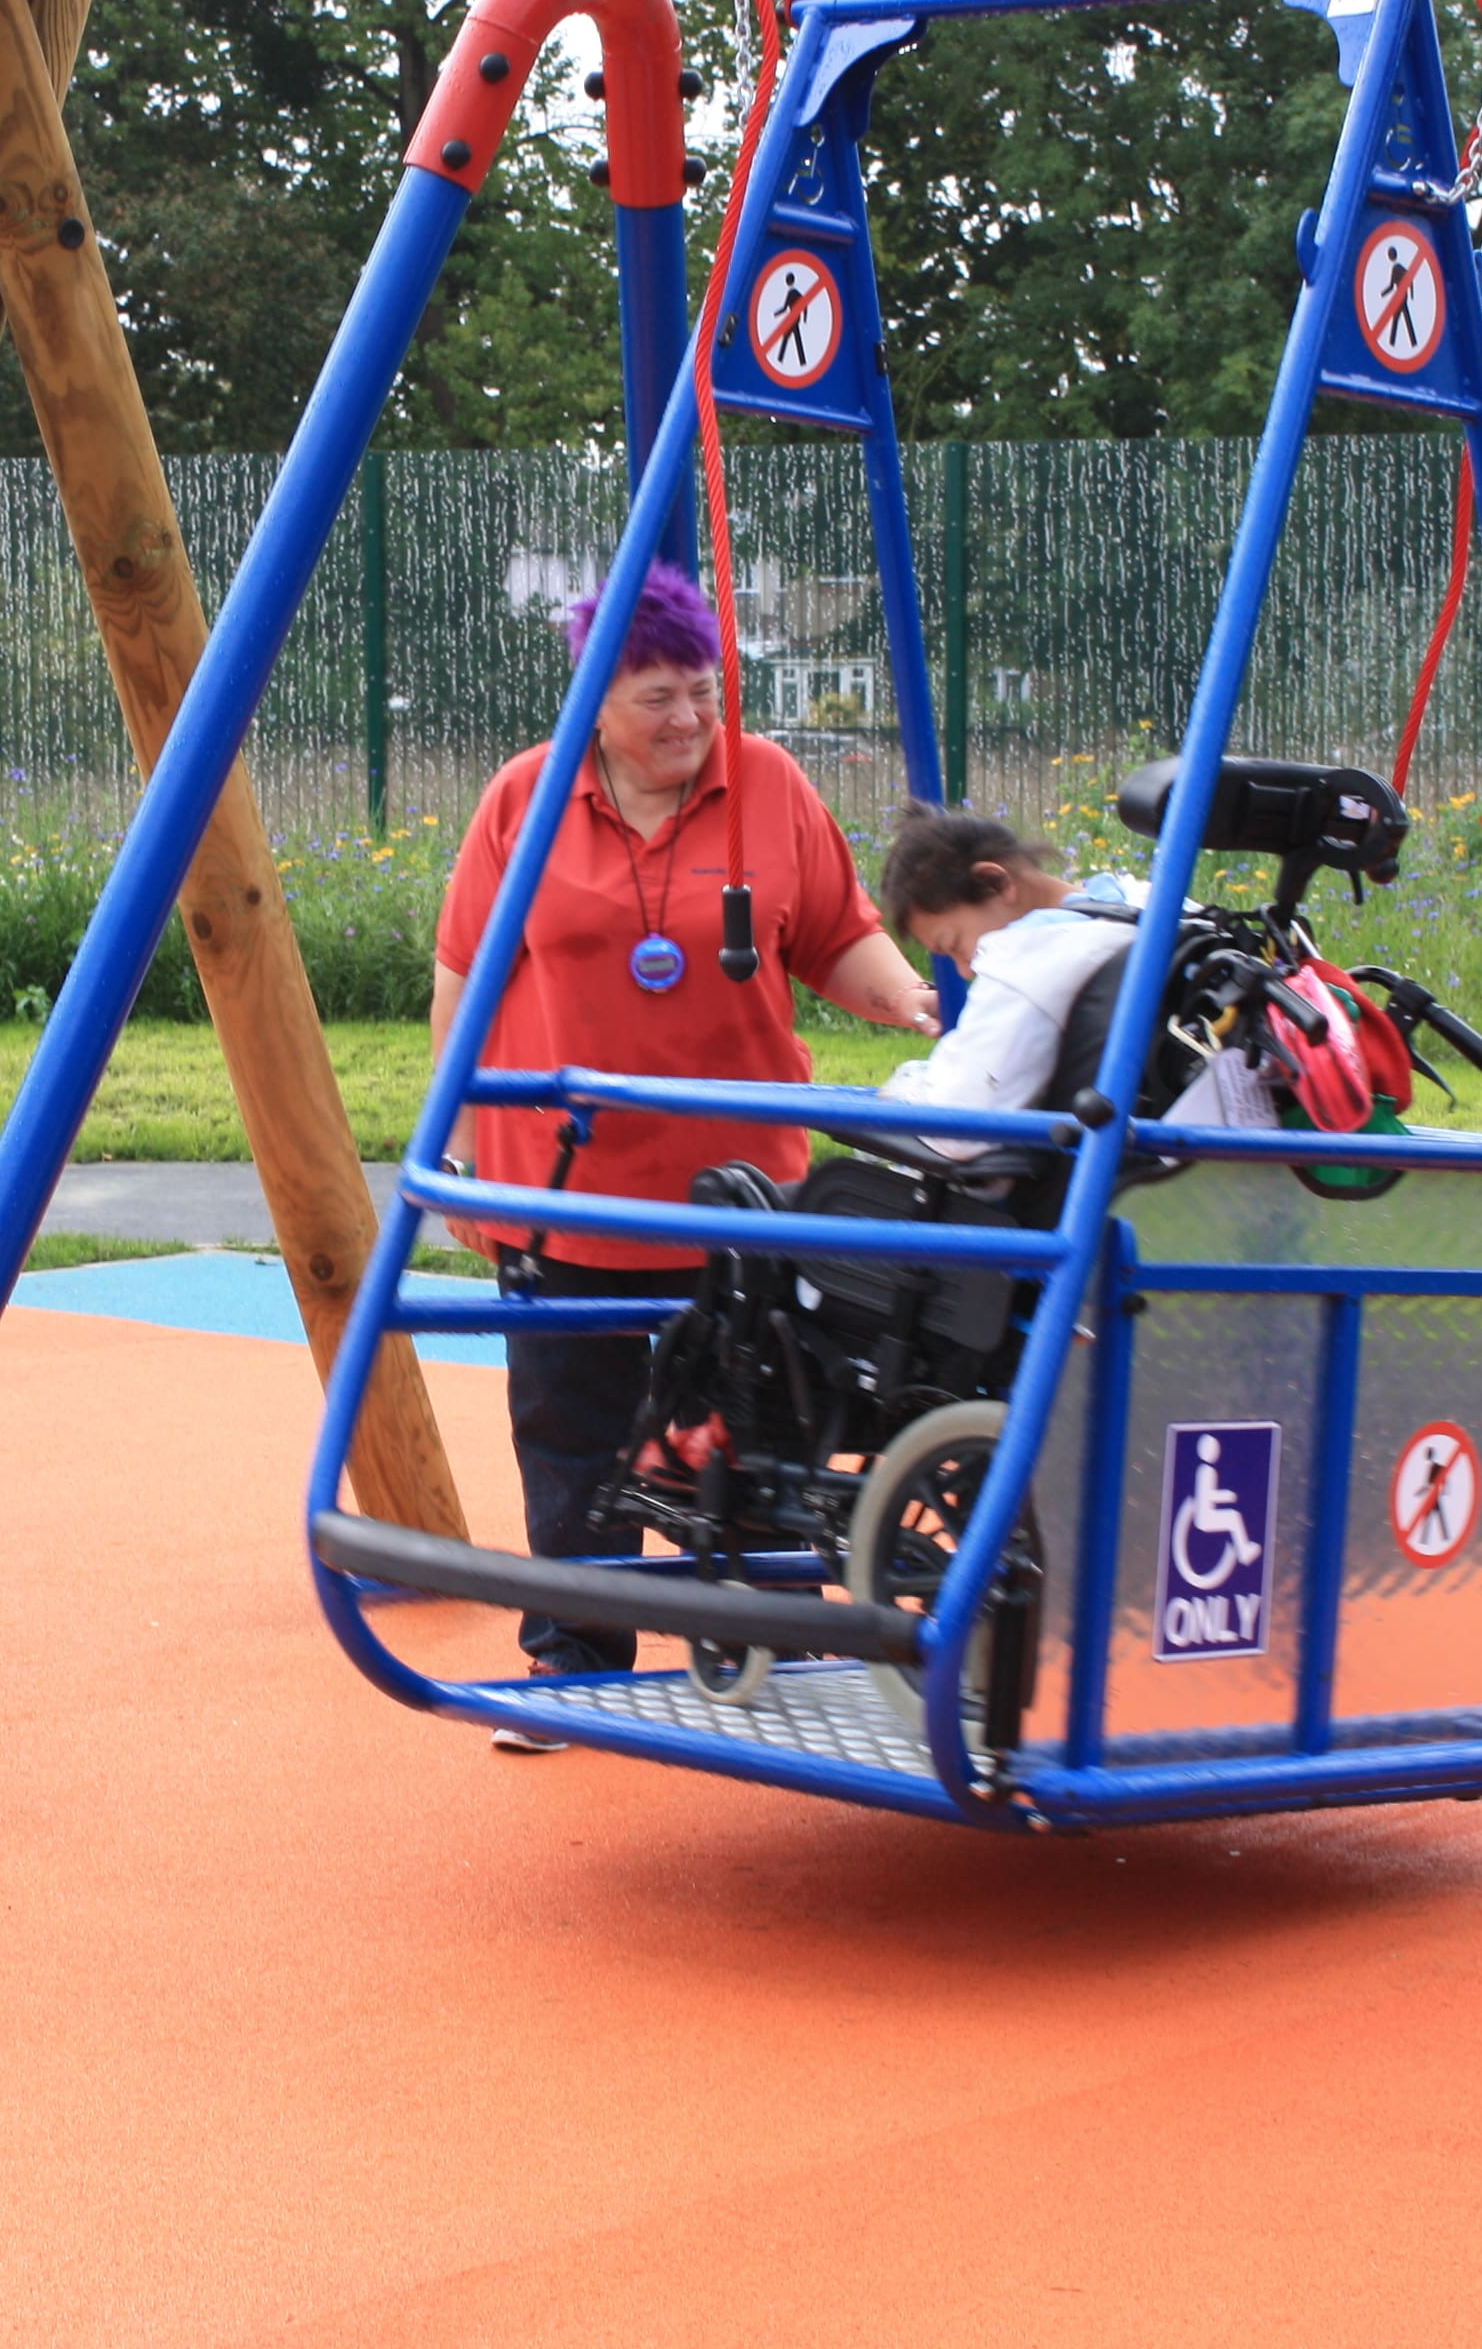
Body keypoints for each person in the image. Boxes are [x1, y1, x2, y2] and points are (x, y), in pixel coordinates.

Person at [432, 559, 936, 1740]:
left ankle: (779, 1650)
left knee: (762, 1415)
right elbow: (465, 975)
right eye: (658, 695)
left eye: (704, 691)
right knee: (572, 1425)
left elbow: (835, 938)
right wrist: (450, 1144)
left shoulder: (766, 784)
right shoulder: (526, 796)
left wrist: (918, 1005)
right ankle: (573, 1662)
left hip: (739, 1186)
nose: (691, 719)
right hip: (565, 1184)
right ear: (596, 698)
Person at [870, 801, 1278, 1142]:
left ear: (995, 883)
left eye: (954, 944)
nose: (965, 970)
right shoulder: (1152, 906)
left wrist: (905, 1087)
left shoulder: (1025, 959)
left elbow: (958, 1126)